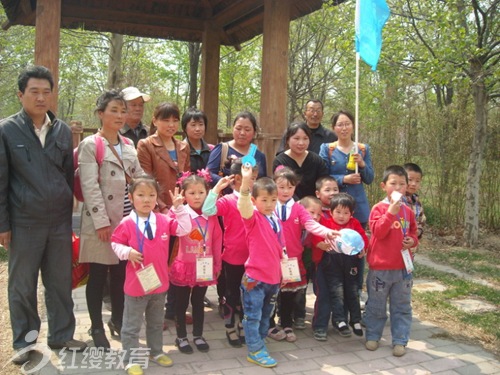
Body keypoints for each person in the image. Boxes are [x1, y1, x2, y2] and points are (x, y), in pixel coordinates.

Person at [0, 65, 87, 364]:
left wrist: (67, 208)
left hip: (59, 223)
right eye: (34, 92)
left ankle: (62, 335)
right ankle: (25, 344)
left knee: (60, 281)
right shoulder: (6, 130)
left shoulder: (62, 130)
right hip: (24, 222)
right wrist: (3, 225)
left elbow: (66, 174)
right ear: (21, 95)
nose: (40, 98)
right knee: (22, 286)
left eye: (46, 92)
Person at [78, 89, 144, 349]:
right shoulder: (91, 145)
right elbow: (89, 186)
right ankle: (96, 327)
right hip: (101, 224)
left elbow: (138, 177)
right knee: (97, 275)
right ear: (100, 114)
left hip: (126, 222)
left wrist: (156, 201)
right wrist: (101, 222)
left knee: (120, 274)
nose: (119, 115)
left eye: (122, 111)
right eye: (113, 110)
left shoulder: (128, 145)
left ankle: (118, 319)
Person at [111, 176, 191, 375]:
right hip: (135, 286)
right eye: (141, 195)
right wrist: (126, 252)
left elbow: (184, 229)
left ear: (157, 198)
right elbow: (115, 243)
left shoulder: (163, 220)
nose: (146, 200)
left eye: (151, 195)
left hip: (160, 284)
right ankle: (130, 359)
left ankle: (155, 351)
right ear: (130, 197)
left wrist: (179, 208)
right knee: (131, 326)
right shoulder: (127, 223)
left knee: (156, 323)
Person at [267, 167, 338, 343]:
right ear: (273, 186)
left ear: (295, 188)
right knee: (270, 294)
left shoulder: (298, 209)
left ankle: (286, 323)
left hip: (292, 260)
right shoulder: (268, 206)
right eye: (281, 187)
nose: (285, 191)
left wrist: (327, 231)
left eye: (290, 187)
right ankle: (269, 324)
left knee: (288, 295)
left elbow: (311, 225)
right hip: (271, 259)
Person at [319, 110, 374, 300]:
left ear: (353, 126)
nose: (344, 128)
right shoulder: (328, 149)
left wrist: (363, 164)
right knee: (334, 253)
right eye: (340, 124)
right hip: (334, 210)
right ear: (334, 128)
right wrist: (344, 179)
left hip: (357, 209)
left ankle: (355, 294)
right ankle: (334, 295)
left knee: (357, 253)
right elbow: (323, 176)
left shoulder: (362, 148)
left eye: (347, 123)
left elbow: (369, 179)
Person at [202, 159, 258, 348]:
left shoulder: (257, 199)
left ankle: (243, 324)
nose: (252, 181)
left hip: (254, 256)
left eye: (254, 177)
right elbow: (208, 209)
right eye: (248, 178)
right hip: (234, 255)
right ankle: (229, 326)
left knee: (248, 293)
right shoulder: (227, 200)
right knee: (232, 293)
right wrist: (216, 189)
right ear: (236, 179)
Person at [364, 165, 419, 357]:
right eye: (393, 184)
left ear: (407, 187)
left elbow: (413, 231)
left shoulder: (408, 212)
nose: (398, 188)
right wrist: (390, 212)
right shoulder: (378, 208)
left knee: (402, 306)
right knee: (376, 305)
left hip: (403, 269)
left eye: (402, 184)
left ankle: (400, 340)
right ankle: (372, 335)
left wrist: (412, 240)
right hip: (380, 268)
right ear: (383, 186)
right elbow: (378, 231)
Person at [170, 173, 222, 354]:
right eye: (192, 193)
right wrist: (176, 208)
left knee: (198, 302)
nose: (197, 196)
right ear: (184, 194)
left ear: (208, 193)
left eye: (201, 192)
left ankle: (198, 335)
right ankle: (181, 336)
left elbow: (217, 240)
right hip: (183, 266)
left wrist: (217, 265)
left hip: (205, 266)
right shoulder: (179, 212)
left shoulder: (212, 216)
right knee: (181, 303)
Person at [237, 166, 281, 368]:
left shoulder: (275, 219)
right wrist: (246, 182)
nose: (269, 204)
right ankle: (254, 349)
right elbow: (243, 205)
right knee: (253, 316)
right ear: (255, 201)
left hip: (274, 279)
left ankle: (260, 341)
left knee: (266, 314)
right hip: (255, 280)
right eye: (264, 200)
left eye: (273, 200)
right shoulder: (253, 218)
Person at [311, 193, 368, 338]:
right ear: (330, 212)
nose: (341, 216)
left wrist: (363, 249)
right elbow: (316, 236)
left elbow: (363, 238)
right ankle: (321, 326)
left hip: (349, 264)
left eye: (346, 213)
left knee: (350, 292)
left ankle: (347, 321)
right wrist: (320, 244)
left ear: (352, 213)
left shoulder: (354, 224)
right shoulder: (326, 223)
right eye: (338, 212)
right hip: (329, 264)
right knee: (329, 294)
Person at [137, 102, 190, 211]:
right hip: (157, 208)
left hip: (182, 207)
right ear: (155, 121)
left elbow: (187, 179)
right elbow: (146, 181)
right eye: (166, 120)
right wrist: (162, 208)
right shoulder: (146, 145)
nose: (171, 125)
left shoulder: (183, 146)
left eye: (175, 121)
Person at [311, 176, 340, 341]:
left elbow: (355, 228)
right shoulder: (318, 214)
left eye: (335, 189)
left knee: (339, 294)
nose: (332, 193)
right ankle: (320, 326)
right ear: (318, 193)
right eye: (327, 190)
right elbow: (312, 231)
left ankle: (339, 322)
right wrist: (318, 244)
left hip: (340, 262)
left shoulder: (343, 209)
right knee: (323, 295)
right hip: (321, 261)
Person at [207, 111, 267, 185]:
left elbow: (263, 182)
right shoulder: (222, 149)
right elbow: (208, 174)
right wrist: (229, 183)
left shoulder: (259, 156)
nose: (242, 133)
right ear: (233, 129)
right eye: (238, 129)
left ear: (254, 132)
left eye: (247, 130)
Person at [272, 122, 329, 199]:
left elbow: (323, 184)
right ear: (288, 140)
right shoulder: (280, 161)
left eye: (305, 138)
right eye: (296, 138)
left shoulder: (317, 160)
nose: (301, 143)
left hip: (315, 206)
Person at [182, 107, 213, 172]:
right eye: (193, 125)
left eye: (201, 124)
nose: (198, 129)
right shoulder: (180, 150)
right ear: (185, 128)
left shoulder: (211, 149)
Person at [403, 163, 426, 254]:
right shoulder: (396, 200)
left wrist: (418, 232)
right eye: (410, 180)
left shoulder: (417, 202)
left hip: (411, 245)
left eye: (417, 181)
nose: (413, 184)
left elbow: (422, 221)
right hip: (397, 245)